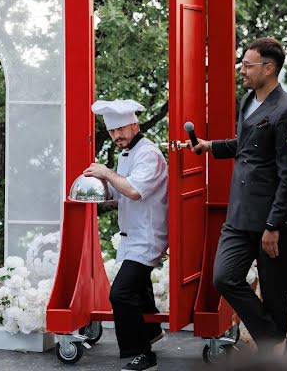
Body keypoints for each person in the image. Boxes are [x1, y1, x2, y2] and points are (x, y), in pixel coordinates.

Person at [190, 37, 287, 355]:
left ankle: (275, 354)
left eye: (247, 65)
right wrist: (211, 145)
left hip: (273, 221)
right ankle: (279, 344)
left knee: (275, 294)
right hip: (240, 214)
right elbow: (245, 146)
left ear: (268, 68)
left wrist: (273, 225)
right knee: (224, 277)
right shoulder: (247, 101)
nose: (242, 70)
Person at [82, 99, 168, 371]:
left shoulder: (148, 153)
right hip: (132, 235)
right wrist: (100, 187)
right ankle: (152, 331)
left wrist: (106, 172)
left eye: (121, 129)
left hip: (148, 236)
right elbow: (121, 194)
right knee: (138, 289)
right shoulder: (125, 155)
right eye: (111, 132)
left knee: (120, 294)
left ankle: (143, 354)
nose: (117, 136)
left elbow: (134, 191)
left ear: (135, 124)